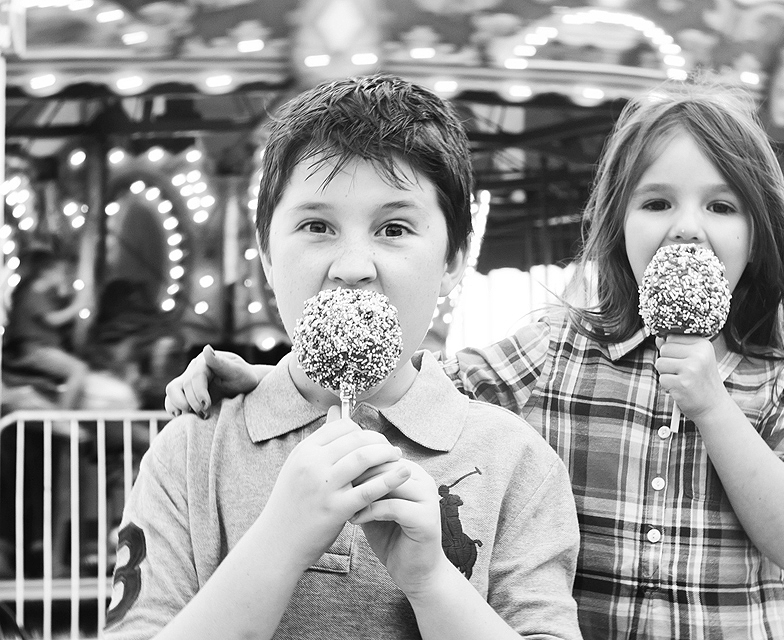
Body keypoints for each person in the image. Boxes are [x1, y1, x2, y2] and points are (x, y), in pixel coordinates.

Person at [166, 82, 784, 639]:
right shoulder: (559, 349)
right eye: (658, 202)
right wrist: (280, 384)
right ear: (617, 224)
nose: (687, 226)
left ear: (757, 234)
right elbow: (418, 387)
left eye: (721, 205)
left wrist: (712, 404)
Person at [106, 75, 582, 640]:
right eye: (316, 226)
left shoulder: (515, 462)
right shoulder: (191, 450)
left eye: (394, 227)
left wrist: (431, 581)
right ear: (266, 257)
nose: (353, 266)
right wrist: (281, 538)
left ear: (453, 260)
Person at [3, 244, 91, 409]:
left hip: (39, 348)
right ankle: (62, 415)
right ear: (46, 271)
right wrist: (77, 306)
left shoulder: (40, 294)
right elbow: (53, 320)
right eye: (59, 271)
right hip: (35, 350)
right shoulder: (32, 293)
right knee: (78, 369)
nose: (62, 276)